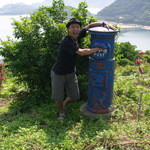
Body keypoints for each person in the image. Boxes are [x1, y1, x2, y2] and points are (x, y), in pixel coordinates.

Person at [51, 18, 116, 120]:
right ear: (68, 30)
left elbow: (90, 25)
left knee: (75, 96)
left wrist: (104, 23)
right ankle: (61, 112)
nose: (75, 29)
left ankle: (64, 104)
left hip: (71, 71)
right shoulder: (66, 41)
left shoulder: (77, 35)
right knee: (58, 96)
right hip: (58, 72)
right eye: (72, 27)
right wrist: (99, 48)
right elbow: (82, 52)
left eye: (77, 27)